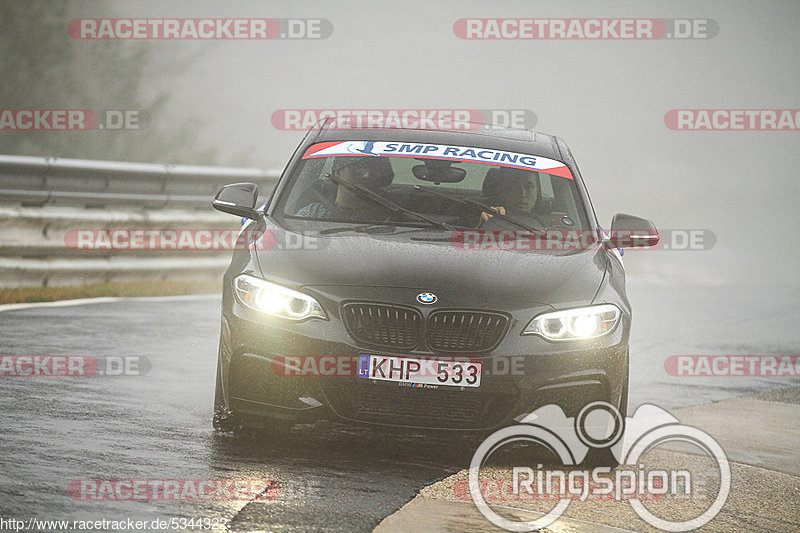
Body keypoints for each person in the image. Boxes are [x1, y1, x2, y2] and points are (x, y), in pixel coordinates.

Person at [294, 157, 391, 220]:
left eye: (373, 173)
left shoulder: (388, 218)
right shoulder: (311, 214)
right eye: (358, 171)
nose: (366, 178)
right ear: (338, 173)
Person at [478, 167, 546, 229]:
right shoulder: (485, 215)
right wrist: (482, 225)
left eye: (529, 187)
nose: (522, 193)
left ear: (537, 192)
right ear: (502, 190)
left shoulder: (550, 225)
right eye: (514, 186)